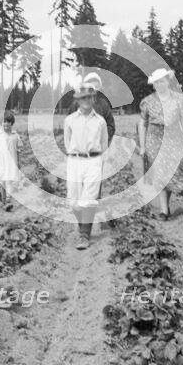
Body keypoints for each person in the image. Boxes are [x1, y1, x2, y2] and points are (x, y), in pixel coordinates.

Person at [138, 68, 183, 221]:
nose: (160, 84)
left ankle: (165, 206)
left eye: (162, 81)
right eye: (157, 82)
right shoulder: (148, 101)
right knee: (160, 173)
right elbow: (142, 124)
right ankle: (164, 211)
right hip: (154, 140)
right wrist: (142, 146)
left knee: (169, 174)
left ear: (168, 81)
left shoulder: (178, 99)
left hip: (173, 139)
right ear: (153, 85)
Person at [64, 83, 109, 249]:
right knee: (74, 202)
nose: (86, 101)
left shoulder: (100, 121)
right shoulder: (69, 120)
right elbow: (67, 142)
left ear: (93, 99)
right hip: (75, 161)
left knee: (89, 200)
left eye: (89, 97)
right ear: (77, 100)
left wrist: (100, 162)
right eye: (82, 98)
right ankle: (82, 224)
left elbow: (104, 143)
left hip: (94, 160)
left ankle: (84, 235)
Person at [67, 72, 115, 144]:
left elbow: (110, 125)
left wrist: (103, 136)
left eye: (97, 86)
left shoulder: (103, 104)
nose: (94, 89)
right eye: (91, 86)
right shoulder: (76, 104)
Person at [0, 110, 23, 211]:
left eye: (8, 122)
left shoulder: (15, 136)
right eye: (4, 122)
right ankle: (4, 201)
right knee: (2, 181)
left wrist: (19, 161)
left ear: (12, 123)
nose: (6, 124)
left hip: (11, 162)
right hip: (0, 162)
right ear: (1, 123)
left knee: (9, 181)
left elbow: (18, 150)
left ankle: (8, 200)